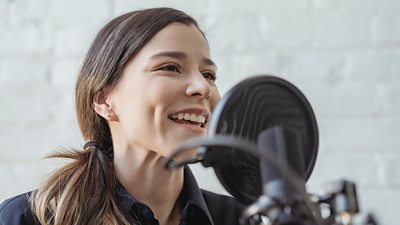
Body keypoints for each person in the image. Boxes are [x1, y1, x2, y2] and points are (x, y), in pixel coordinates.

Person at [0, 7, 245, 225]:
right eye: (170, 67)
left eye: (209, 75)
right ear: (104, 99)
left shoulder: (239, 218)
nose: (202, 87)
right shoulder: (26, 218)